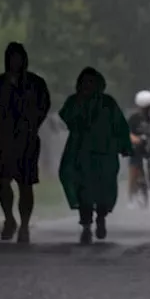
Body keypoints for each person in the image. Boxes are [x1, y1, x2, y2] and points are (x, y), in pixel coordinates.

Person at [0, 42, 51, 243]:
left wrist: (34, 122)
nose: (15, 62)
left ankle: (25, 225)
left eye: (18, 57)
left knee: (26, 183)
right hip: (4, 138)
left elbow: (45, 104)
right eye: (12, 58)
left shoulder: (35, 84)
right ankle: (9, 218)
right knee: (3, 181)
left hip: (27, 139)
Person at [58, 67, 132, 245]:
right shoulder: (74, 102)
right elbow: (66, 117)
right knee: (83, 189)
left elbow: (120, 125)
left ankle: (101, 217)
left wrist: (125, 146)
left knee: (104, 188)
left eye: (92, 82)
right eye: (85, 82)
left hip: (105, 153)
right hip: (80, 153)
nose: (88, 86)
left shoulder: (108, 103)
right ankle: (86, 225)